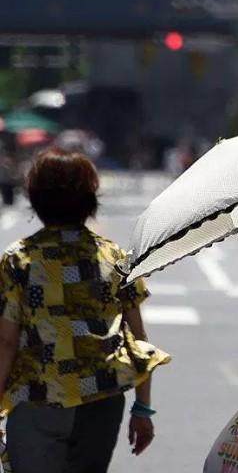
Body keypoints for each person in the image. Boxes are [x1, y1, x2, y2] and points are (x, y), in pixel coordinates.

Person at [0, 147, 170, 472]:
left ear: (35, 198)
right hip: (101, 400)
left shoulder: (19, 260)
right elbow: (138, 337)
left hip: (37, 398)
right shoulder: (115, 257)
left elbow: (6, 342)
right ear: (89, 200)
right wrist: (143, 410)